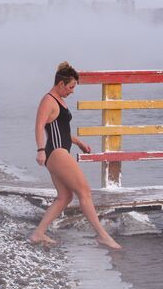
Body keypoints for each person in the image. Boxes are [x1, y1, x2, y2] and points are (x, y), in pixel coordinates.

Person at [30, 62, 122, 250]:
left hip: (60, 149)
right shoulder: (48, 100)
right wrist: (40, 150)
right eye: (71, 87)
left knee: (65, 196)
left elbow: (62, 130)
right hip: (56, 152)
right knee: (85, 192)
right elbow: (40, 126)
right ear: (61, 84)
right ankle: (102, 236)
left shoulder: (59, 100)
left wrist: (78, 142)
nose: (72, 91)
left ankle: (38, 233)